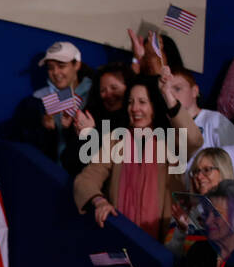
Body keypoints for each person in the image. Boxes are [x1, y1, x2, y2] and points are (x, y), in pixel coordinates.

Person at [73, 68, 201, 240]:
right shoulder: (115, 140)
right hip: (122, 239)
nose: (135, 108)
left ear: (154, 106)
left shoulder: (170, 142)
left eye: (142, 102)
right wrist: (100, 201)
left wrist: (168, 96)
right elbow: (86, 180)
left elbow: (193, 140)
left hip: (162, 244)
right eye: (130, 102)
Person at [8, 41, 92, 172]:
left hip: (87, 175)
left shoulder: (95, 92)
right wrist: (44, 128)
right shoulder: (40, 100)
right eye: (50, 67)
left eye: (61, 66)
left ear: (77, 65)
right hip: (54, 175)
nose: (55, 72)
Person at [168, 69, 234, 150]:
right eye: (167, 92)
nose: (172, 95)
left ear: (194, 91)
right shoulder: (167, 124)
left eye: (177, 89)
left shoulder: (215, 120)